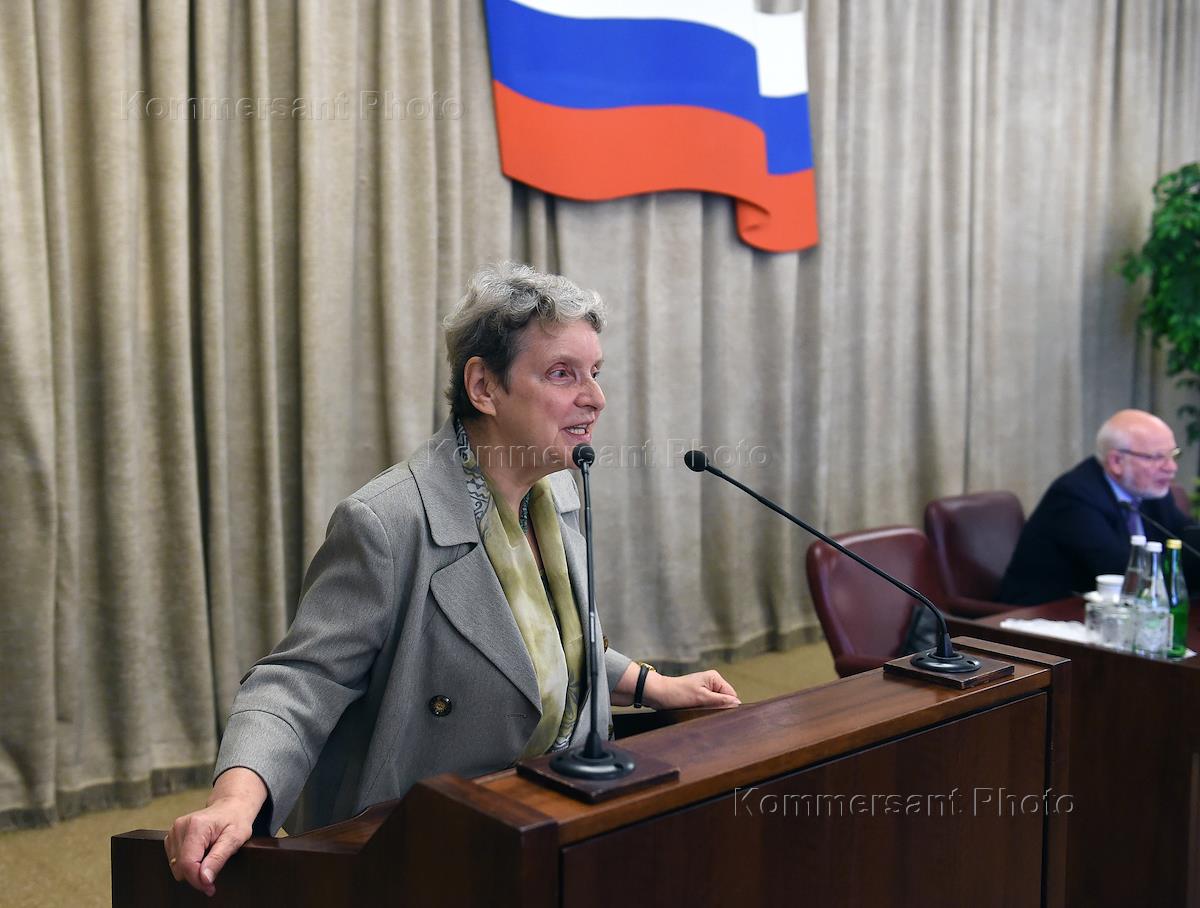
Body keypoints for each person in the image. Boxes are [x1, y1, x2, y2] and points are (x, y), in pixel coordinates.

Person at [164, 263, 740, 896]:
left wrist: (654, 686)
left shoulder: (555, 492)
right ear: (484, 387)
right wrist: (235, 797)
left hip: (548, 814)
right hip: (423, 849)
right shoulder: (389, 522)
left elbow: (549, 647)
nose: (595, 398)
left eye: (595, 372)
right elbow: (301, 681)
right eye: (562, 373)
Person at [997, 408, 1196, 605]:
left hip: (1114, 610)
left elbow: (1187, 538)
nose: (1171, 468)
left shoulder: (1149, 490)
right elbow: (1120, 570)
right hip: (1042, 613)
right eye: (1157, 457)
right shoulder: (1074, 496)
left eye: (1173, 455)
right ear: (1116, 461)